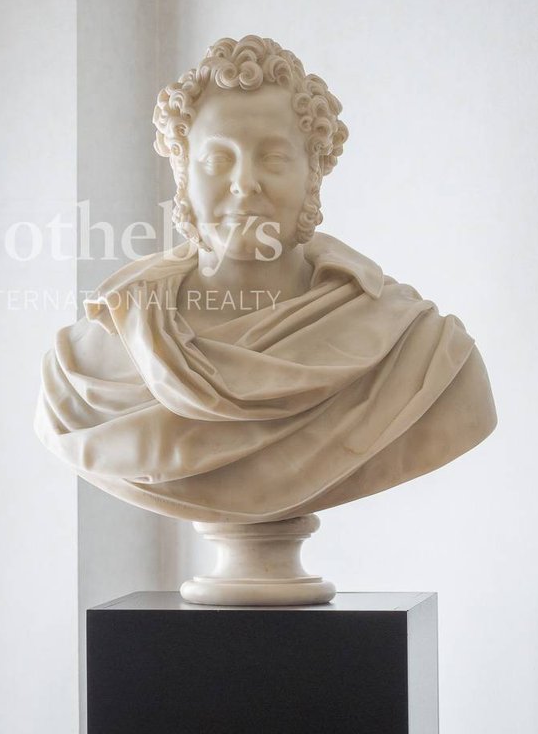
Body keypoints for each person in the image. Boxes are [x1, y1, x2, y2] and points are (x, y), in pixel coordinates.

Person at [35, 36, 496, 524]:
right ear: (182, 172)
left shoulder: (420, 351)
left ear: (313, 173)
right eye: (218, 160)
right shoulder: (90, 363)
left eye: (273, 159)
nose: (244, 183)